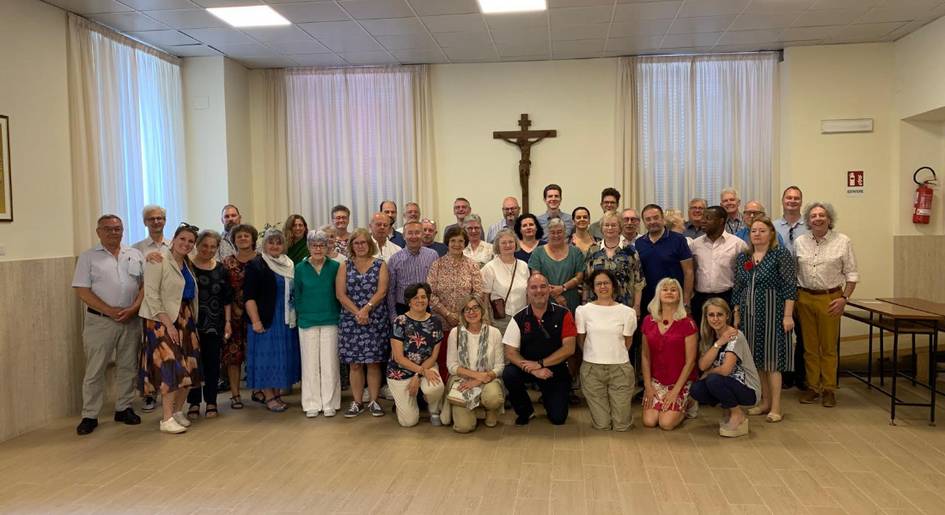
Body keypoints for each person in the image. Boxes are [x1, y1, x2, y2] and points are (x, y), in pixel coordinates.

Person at [72, 215, 145, 436]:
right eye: (109, 229)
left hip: (131, 319)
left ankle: (124, 408)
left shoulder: (134, 254)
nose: (114, 233)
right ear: (99, 232)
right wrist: (109, 310)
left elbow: (144, 286)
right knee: (95, 369)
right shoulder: (88, 257)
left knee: (128, 366)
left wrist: (133, 308)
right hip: (100, 321)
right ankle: (90, 415)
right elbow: (82, 290)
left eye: (118, 229)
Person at [138, 223, 203, 434]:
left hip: (185, 319)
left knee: (190, 367)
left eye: (190, 241)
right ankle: (166, 419)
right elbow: (152, 296)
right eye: (182, 239)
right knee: (172, 367)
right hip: (161, 321)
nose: (186, 243)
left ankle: (176, 412)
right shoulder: (158, 260)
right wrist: (168, 324)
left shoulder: (187, 264)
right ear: (173, 239)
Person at [732, 217, 797, 423]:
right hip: (749, 314)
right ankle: (764, 402)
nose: (757, 234)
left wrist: (788, 315)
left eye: (762, 230)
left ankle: (776, 406)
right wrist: (736, 311)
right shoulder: (744, 257)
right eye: (753, 231)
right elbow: (738, 286)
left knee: (772, 361)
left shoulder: (780, 255)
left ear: (771, 233)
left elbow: (789, 286)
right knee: (756, 361)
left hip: (773, 313)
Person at [795, 202, 858, 408]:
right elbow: (794, 272)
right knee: (810, 348)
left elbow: (851, 274)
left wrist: (844, 298)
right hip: (804, 297)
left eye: (822, 215)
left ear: (829, 219)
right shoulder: (800, 241)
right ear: (808, 220)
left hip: (830, 298)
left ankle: (829, 388)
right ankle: (813, 387)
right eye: (813, 216)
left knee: (829, 347)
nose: (818, 218)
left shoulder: (843, 241)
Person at [503, 273, 577, 425]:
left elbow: (569, 348)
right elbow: (510, 352)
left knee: (558, 419)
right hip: (529, 368)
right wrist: (534, 369)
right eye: (534, 287)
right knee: (509, 373)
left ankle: (550, 398)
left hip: (554, 370)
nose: (539, 291)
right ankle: (526, 411)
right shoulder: (518, 318)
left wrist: (541, 364)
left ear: (549, 289)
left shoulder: (564, 314)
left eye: (543, 286)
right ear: (527, 291)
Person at [244, 229, 302, 413]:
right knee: (267, 358)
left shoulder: (289, 264)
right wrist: (256, 321)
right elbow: (249, 297)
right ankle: (269, 396)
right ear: (264, 245)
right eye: (271, 242)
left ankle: (277, 394)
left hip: (286, 320)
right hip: (266, 319)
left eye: (278, 243)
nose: (275, 246)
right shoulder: (256, 265)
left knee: (280, 358)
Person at [336, 228, 390, 418]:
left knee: (374, 363)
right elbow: (340, 294)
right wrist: (357, 312)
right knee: (355, 364)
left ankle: (374, 401)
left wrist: (366, 309)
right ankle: (357, 401)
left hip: (374, 318)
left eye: (363, 243)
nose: (360, 246)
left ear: (370, 245)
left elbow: (382, 291)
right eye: (356, 243)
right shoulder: (345, 265)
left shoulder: (380, 264)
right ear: (351, 246)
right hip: (351, 320)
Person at [689, 298, 761, 438]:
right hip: (727, 383)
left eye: (719, 314)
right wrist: (719, 343)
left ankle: (737, 414)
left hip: (748, 390)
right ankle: (729, 408)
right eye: (711, 315)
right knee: (696, 389)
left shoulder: (735, 336)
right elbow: (702, 365)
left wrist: (709, 372)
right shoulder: (709, 336)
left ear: (727, 315)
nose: (715, 319)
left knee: (713, 379)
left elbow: (726, 370)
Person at [576, 269, 637, 431]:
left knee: (621, 426)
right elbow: (581, 339)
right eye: (598, 284)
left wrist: (613, 355)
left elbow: (628, 342)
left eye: (606, 283)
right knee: (602, 425)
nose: (603, 287)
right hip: (592, 369)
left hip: (620, 369)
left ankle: (622, 416)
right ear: (593, 288)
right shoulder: (583, 311)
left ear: (613, 286)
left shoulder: (627, 312)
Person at [294, 229, 342, 418]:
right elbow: (297, 295)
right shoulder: (300, 268)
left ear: (327, 246)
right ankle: (312, 403)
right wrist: (301, 315)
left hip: (331, 318)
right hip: (307, 320)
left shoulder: (335, 267)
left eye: (322, 245)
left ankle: (329, 403)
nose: (318, 248)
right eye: (314, 245)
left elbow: (339, 293)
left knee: (330, 363)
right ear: (309, 247)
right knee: (310, 364)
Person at [427, 225, 485, 378]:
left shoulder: (472, 265)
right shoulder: (437, 265)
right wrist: (447, 314)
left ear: (465, 242)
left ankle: (463, 393)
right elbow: (430, 294)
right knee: (444, 359)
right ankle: (445, 393)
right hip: (441, 322)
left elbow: (478, 293)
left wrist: (463, 315)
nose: (457, 244)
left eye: (460, 241)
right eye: (453, 240)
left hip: (467, 322)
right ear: (447, 242)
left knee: (465, 360)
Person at [186, 230, 233, 420]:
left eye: (213, 246)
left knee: (213, 363)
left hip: (215, 324)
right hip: (191, 323)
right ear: (197, 245)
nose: (208, 249)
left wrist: (228, 323)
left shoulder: (221, 269)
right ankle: (194, 402)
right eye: (205, 245)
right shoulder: (187, 266)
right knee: (193, 364)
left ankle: (212, 401)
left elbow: (227, 299)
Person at [640, 278, 698, 431]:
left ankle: (688, 403)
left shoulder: (687, 323)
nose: (669, 292)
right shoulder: (648, 320)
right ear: (658, 294)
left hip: (679, 381)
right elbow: (645, 356)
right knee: (649, 421)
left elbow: (690, 361)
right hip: (656, 380)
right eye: (665, 289)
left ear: (679, 296)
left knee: (666, 424)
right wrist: (648, 385)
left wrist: (675, 391)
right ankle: (666, 405)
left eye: (673, 290)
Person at [444, 294, 505, 433]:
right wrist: (477, 376)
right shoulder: (456, 333)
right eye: (467, 309)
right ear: (463, 313)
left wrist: (478, 380)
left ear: (482, 310)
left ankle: (490, 409)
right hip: (462, 380)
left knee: (493, 398)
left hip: (488, 379)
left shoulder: (494, 333)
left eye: (475, 308)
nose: (471, 312)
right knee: (463, 427)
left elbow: (500, 367)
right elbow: (452, 366)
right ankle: (471, 410)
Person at [387, 283, 445, 427]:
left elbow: (433, 357)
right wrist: (420, 372)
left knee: (435, 387)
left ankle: (434, 410)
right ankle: (405, 402)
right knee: (408, 422)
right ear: (409, 301)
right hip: (400, 370)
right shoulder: (400, 321)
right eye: (415, 298)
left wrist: (418, 376)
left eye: (423, 297)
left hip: (426, 366)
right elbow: (399, 358)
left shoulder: (436, 322)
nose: (420, 300)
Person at [133, 204, 168, 412]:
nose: (156, 222)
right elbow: (134, 279)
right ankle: (149, 394)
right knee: (148, 352)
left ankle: (167, 392)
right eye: (152, 219)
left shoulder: (173, 245)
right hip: (147, 308)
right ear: (145, 222)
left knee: (167, 353)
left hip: (170, 309)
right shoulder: (136, 249)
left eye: (160, 218)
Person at [690, 206, 747, 327]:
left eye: (708, 218)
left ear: (721, 221)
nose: (702, 221)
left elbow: (746, 273)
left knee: (727, 338)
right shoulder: (695, 244)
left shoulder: (738, 244)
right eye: (702, 217)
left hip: (727, 298)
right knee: (702, 338)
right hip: (701, 299)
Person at [775, 186, 809, 390]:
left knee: (804, 334)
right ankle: (785, 375)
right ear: (782, 200)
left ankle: (802, 377)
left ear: (801, 202)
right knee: (783, 333)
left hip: (803, 285)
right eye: (789, 197)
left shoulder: (810, 226)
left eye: (797, 198)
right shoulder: (772, 226)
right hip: (780, 289)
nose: (792, 201)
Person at [222, 224, 259, 408]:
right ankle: (235, 395)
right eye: (239, 236)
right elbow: (223, 290)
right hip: (234, 317)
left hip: (257, 317)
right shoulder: (227, 262)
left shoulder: (263, 260)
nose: (243, 238)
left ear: (253, 239)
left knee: (256, 354)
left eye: (246, 235)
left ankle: (257, 390)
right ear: (233, 240)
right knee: (233, 357)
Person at [635, 204, 694, 315]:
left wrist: (686, 301)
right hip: (648, 302)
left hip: (673, 300)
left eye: (656, 217)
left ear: (663, 219)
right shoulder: (639, 243)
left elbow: (689, 272)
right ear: (643, 222)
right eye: (648, 219)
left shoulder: (678, 240)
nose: (652, 221)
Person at [583, 211, 644, 313]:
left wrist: (637, 306)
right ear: (601, 228)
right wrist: (584, 303)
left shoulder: (630, 251)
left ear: (620, 228)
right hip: (597, 305)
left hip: (624, 305)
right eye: (606, 225)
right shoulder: (593, 250)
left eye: (613, 225)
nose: (610, 228)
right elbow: (586, 280)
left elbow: (639, 282)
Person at [528, 218, 585, 313]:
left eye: (559, 232)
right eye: (552, 232)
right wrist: (556, 295)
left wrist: (563, 287)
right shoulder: (538, 252)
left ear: (565, 232)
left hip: (569, 302)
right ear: (547, 233)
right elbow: (536, 278)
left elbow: (579, 277)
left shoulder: (575, 252)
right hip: (545, 302)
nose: (556, 235)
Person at [480, 229, 529, 334]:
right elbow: (484, 298)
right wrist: (486, 319)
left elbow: (528, 294)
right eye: (503, 243)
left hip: (522, 316)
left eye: (511, 242)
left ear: (516, 244)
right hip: (500, 319)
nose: (508, 245)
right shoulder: (490, 267)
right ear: (498, 246)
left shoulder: (523, 266)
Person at [387, 221, 439, 318]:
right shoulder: (394, 259)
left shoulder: (433, 255)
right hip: (403, 309)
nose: (414, 236)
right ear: (403, 236)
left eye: (417, 232)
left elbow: (437, 286)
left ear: (422, 234)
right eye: (410, 233)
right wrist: (393, 316)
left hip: (427, 309)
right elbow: (391, 291)